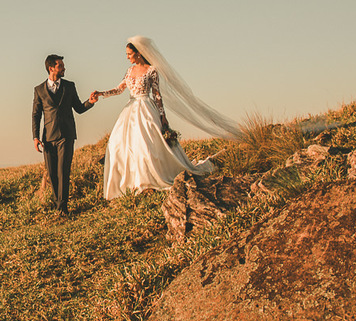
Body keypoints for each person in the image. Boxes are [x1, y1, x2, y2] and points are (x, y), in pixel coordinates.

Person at [91, 36, 239, 200]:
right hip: (129, 110)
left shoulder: (151, 70)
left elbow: (157, 95)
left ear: (138, 53)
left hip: (146, 108)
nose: (127, 57)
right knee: (120, 144)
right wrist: (101, 93)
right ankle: (132, 180)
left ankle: (148, 180)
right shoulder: (129, 71)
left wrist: (162, 116)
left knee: (146, 145)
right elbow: (118, 89)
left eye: (129, 53)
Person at [32, 54, 98, 214]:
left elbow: (79, 108)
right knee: (52, 173)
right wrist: (35, 137)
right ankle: (58, 204)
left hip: (66, 135)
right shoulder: (39, 90)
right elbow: (36, 115)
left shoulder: (69, 86)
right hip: (47, 138)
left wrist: (90, 102)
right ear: (51, 68)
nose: (64, 68)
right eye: (61, 66)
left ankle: (63, 207)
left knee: (63, 171)